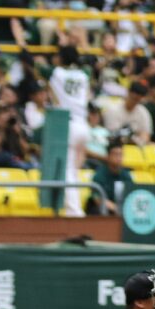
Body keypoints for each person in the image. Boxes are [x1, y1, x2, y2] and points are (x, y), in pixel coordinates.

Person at [48, 45, 93, 217]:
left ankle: (75, 212)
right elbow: (88, 69)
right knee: (74, 171)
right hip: (83, 124)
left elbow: (37, 67)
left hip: (69, 125)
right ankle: (73, 209)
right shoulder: (84, 74)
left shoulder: (57, 73)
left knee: (67, 171)